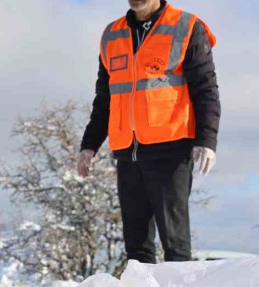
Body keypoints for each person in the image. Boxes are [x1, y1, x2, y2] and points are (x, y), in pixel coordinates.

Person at [78, 0, 220, 263]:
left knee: (175, 244)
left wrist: (207, 140)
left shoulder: (186, 27)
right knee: (136, 246)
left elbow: (206, 89)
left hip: (171, 148)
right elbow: (105, 98)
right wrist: (90, 144)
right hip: (127, 152)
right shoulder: (112, 35)